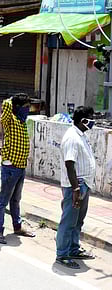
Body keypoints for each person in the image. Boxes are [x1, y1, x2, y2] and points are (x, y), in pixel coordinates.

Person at [55, 106, 96, 269]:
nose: (93, 121)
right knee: (68, 221)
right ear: (83, 120)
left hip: (84, 184)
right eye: (91, 118)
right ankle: (62, 254)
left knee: (78, 220)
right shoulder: (72, 137)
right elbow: (69, 164)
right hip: (76, 186)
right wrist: (76, 189)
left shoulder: (81, 135)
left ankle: (73, 248)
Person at [0, 93, 35, 244]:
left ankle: (17, 226)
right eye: (25, 107)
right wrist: (13, 100)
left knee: (16, 200)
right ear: (17, 107)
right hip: (10, 166)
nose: (28, 109)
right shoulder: (9, 120)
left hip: (20, 166)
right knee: (3, 200)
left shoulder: (22, 121)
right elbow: (5, 104)